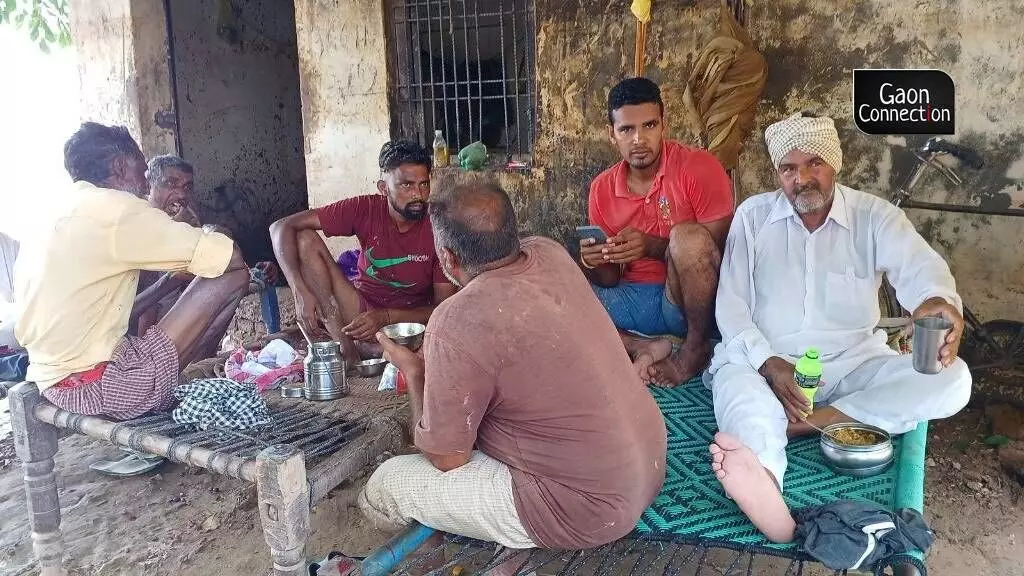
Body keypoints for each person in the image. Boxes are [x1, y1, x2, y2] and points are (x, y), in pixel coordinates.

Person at [358, 177, 667, 555]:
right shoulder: (549, 252)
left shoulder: (454, 319)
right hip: (647, 467)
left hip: (584, 509)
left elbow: (447, 457)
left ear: (449, 258)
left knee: (385, 484)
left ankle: (437, 554)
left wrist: (416, 372)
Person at [705, 112, 972, 543]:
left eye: (814, 164)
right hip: (770, 368)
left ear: (836, 164)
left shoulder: (874, 217)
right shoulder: (752, 218)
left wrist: (938, 302)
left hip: (853, 368)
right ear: (778, 173)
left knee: (954, 380)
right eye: (788, 169)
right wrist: (770, 364)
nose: (801, 179)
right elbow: (731, 309)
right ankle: (765, 484)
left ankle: (803, 426)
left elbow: (922, 271)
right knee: (741, 396)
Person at [14, 122, 250, 420]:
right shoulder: (118, 210)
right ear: (119, 167)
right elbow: (230, 258)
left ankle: (169, 381)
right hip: (100, 387)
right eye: (142, 169)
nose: (144, 180)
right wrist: (209, 228)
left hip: (53, 379)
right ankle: (169, 388)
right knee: (235, 275)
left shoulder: (54, 212)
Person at [580, 77, 735, 387]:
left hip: (684, 302)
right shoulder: (601, 188)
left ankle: (694, 347)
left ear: (664, 124)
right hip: (632, 299)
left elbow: (717, 253)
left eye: (649, 126)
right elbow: (609, 279)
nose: (639, 139)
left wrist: (651, 247)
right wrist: (595, 260)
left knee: (687, 238)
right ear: (612, 135)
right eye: (626, 129)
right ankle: (641, 345)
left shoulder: (698, 167)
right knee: (552, 285)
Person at [270, 140, 455, 365]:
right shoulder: (364, 208)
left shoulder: (439, 225)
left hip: (409, 324)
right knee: (304, 238)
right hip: (361, 312)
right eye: (407, 185)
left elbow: (441, 310)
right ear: (383, 188)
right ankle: (348, 353)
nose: (418, 194)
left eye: (424, 184)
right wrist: (298, 289)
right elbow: (280, 227)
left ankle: (376, 348)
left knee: (441, 340)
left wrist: (386, 317)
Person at [132, 155, 278, 345]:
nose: (182, 194)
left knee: (228, 256)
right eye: (171, 183)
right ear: (149, 185)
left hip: (176, 334)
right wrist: (173, 277)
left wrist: (256, 274)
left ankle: (198, 364)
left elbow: (210, 273)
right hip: (138, 346)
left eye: (187, 187)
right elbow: (134, 312)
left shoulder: (185, 221)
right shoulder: (137, 228)